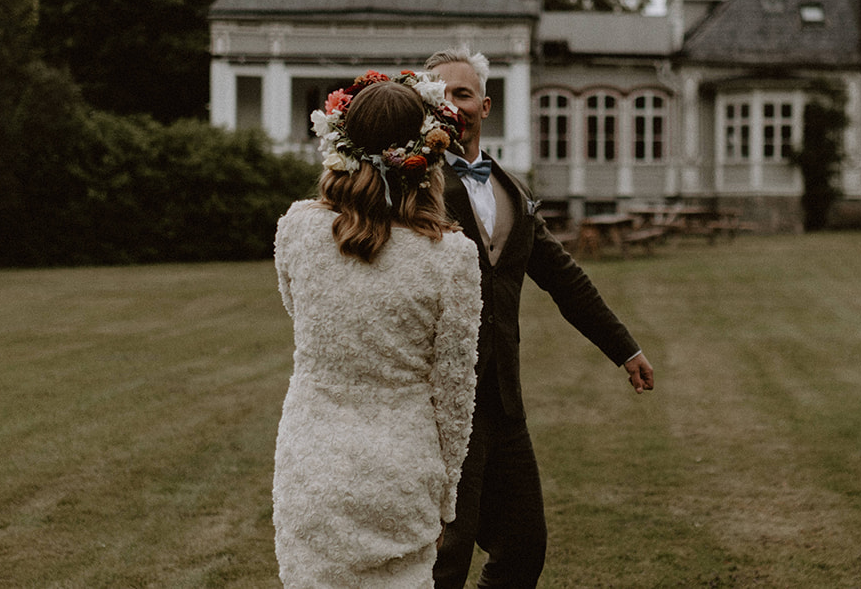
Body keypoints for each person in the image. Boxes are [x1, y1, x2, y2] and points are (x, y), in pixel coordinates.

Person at [425, 46, 655, 589]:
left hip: (504, 403)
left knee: (524, 549)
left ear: (484, 105)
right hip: (441, 407)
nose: (451, 104)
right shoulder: (412, 188)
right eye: (439, 95)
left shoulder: (512, 189)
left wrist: (625, 348)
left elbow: (563, 278)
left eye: (462, 93)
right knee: (443, 562)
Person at [273, 70, 484, 588]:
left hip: (312, 464)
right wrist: (446, 496)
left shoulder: (298, 229)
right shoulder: (452, 258)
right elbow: (454, 396)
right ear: (426, 155)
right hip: (403, 471)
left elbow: (301, 317)